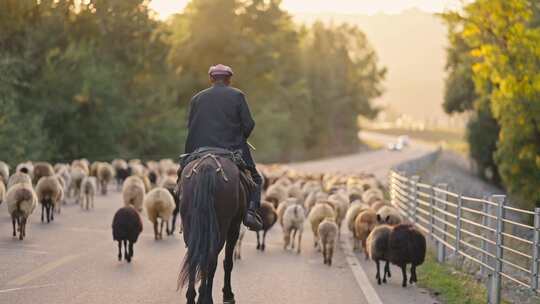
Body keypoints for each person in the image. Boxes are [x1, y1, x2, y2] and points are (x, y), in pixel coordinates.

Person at [183, 64, 263, 231]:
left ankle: (184, 214)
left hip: (200, 149)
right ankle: (251, 213)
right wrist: (240, 139)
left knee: (182, 177)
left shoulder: (197, 98)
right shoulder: (237, 95)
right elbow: (249, 124)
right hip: (232, 149)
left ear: (211, 79)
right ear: (229, 79)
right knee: (256, 178)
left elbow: (191, 127)